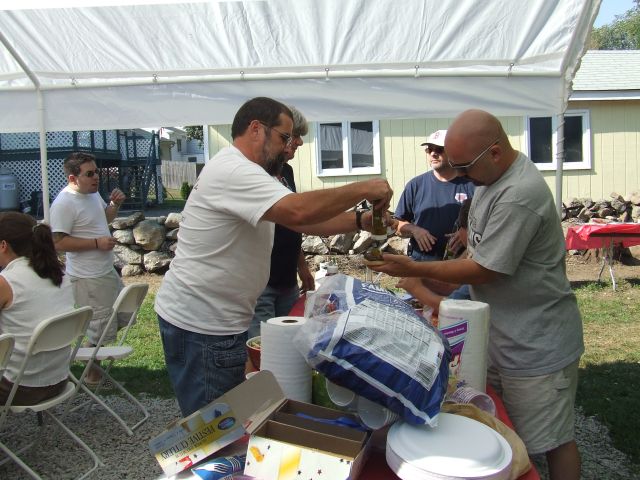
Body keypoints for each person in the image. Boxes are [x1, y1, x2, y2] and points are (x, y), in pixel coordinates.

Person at [371, 109, 584, 480]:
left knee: (552, 441)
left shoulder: (519, 195)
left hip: (536, 342)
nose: (460, 175)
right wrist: (437, 282)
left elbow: (487, 269)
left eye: (464, 166)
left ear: (495, 152)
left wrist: (415, 270)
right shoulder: (489, 180)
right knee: (501, 433)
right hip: (501, 334)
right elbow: (475, 254)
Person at [155, 97, 392, 417]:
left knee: (224, 418)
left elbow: (299, 222)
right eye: (284, 137)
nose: (289, 146)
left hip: (211, 320)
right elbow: (299, 211)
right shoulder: (234, 170)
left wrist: (360, 221)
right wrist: (364, 188)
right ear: (256, 129)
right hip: (203, 324)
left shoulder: (249, 172)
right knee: (214, 427)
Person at [50, 152, 127, 385]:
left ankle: (94, 370)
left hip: (104, 270)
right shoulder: (64, 203)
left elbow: (104, 219)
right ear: (73, 178)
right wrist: (96, 243)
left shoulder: (92, 194)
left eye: (97, 172)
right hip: (87, 276)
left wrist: (114, 204)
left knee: (113, 320)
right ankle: (92, 376)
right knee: (98, 328)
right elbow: (58, 243)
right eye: (90, 174)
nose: (96, 177)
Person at [248, 106, 314, 339]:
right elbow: (299, 213)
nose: (299, 142)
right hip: (262, 284)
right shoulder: (256, 172)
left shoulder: (286, 171)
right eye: (293, 135)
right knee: (265, 347)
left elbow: (290, 225)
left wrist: (302, 267)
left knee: (290, 342)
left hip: (287, 280)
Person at [0, 212, 75, 405]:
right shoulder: (59, 274)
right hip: (58, 380)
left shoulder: (8, 282)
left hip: (18, 388)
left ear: (3, 245)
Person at [395, 129, 475, 261]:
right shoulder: (415, 185)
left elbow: (487, 223)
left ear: (454, 152)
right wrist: (415, 230)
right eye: (429, 149)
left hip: (460, 264)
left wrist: (467, 233)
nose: (433, 153)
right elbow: (397, 224)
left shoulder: (471, 185)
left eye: (439, 149)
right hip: (421, 264)